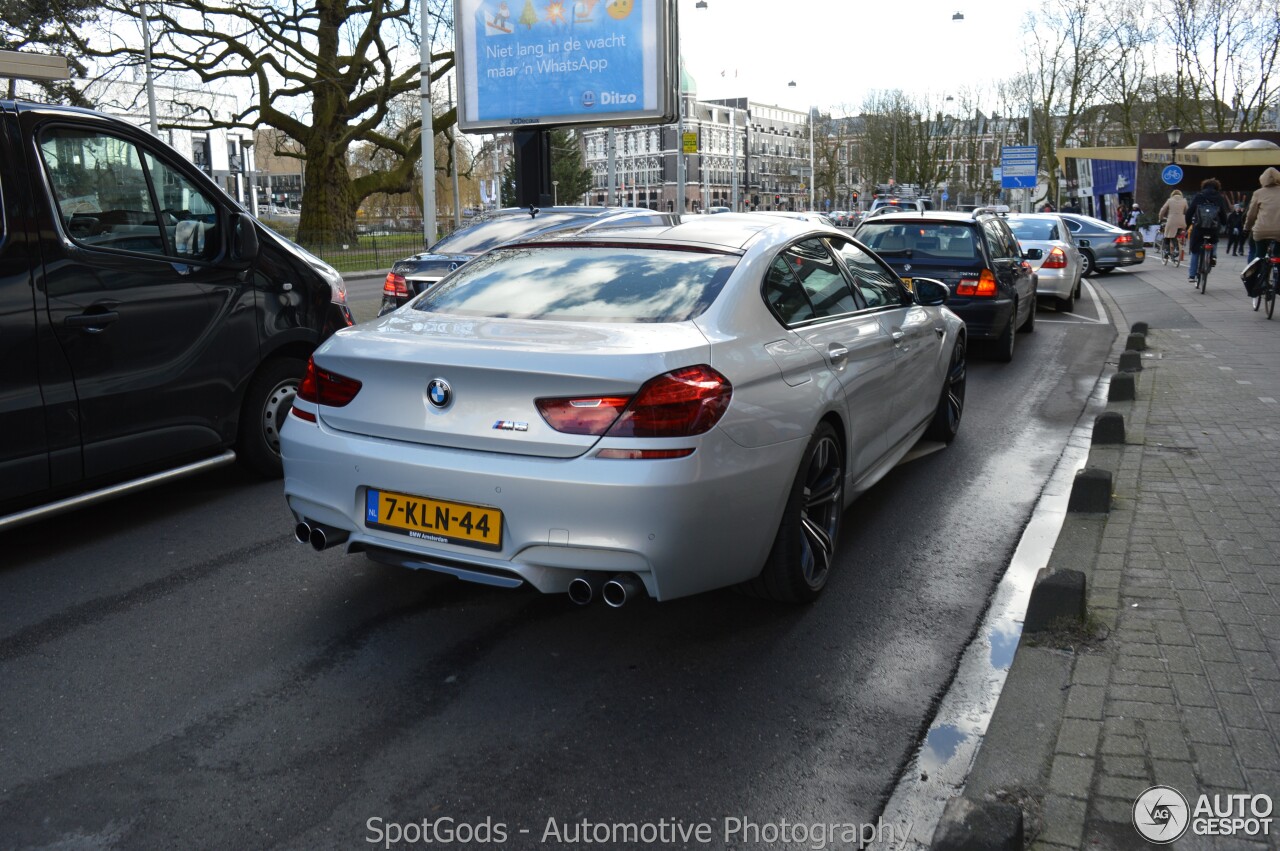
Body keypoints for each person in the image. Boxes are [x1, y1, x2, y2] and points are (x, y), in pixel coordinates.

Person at [1244, 167, 1280, 264]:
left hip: (1261, 231)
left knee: (1259, 254)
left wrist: (1246, 228)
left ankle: (1254, 276)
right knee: (1278, 254)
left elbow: (1251, 215)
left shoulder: (1258, 193)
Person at [1157, 189, 1188, 262]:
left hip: (1172, 221)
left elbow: (1163, 210)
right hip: (1182, 222)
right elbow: (1187, 211)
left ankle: (1167, 251)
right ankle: (1177, 249)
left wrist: (1160, 218)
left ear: (1172, 194)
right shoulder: (1184, 201)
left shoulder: (1169, 200)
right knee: (1176, 235)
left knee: (1167, 235)